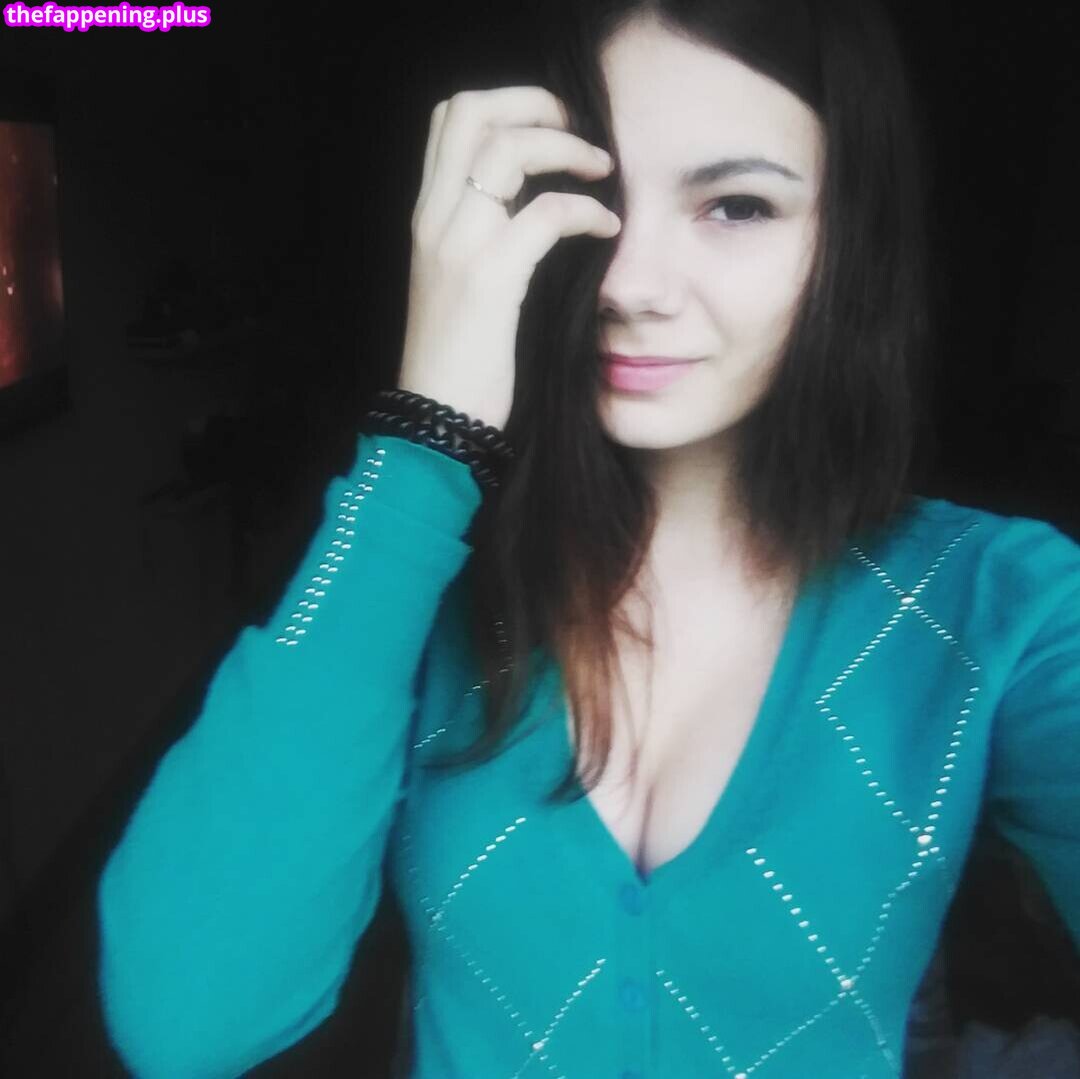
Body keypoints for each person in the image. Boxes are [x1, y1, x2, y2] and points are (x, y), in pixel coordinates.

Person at [96, 1, 1080, 1076]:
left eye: (737, 204)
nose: (625, 284)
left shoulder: (1006, 607)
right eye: (592, 202)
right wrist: (424, 440)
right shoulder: (421, 581)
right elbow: (186, 1017)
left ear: (854, 239)